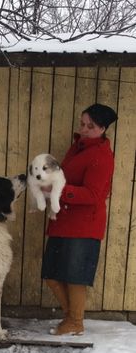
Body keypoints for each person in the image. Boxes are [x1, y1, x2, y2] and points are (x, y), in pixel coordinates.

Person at [41, 103, 118, 336]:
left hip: (84, 225)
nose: (83, 129)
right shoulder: (79, 147)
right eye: (82, 123)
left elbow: (95, 195)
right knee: (52, 275)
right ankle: (71, 317)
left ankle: (75, 321)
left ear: (103, 128)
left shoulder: (101, 156)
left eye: (90, 126)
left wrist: (58, 190)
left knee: (75, 277)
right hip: (63, 220)